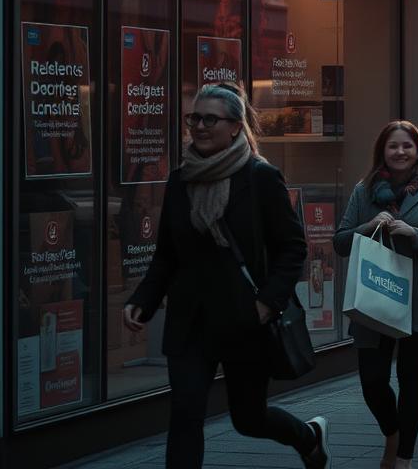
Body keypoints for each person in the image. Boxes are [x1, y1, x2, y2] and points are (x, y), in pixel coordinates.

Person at [124, 84, 329, 469]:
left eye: (210, 119)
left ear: (235, 127)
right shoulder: (180, 180)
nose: (199, 126)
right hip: (190, 322)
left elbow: (292, 248)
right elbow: (168, 253)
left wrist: (268, 303)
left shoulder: (260, 177)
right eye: (194, 118)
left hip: (244, 319)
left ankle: (309, 437)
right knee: (185, 416)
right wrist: (143, 300)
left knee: (248, 419)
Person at [335, 121, 418, 469]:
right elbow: (340, 242)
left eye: (407, 146)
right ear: (382, 152)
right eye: (393, 146)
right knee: (372, 382)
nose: (400, 152)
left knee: (411, 377)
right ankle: (393, 432)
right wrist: (369, 226)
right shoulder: (364, 191)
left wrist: (414, 234)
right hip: (374, 294)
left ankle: (403, 456)